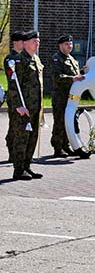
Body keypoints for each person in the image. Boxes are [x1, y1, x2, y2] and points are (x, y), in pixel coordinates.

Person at [10, 31, 44, 180]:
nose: (37, 43)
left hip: (36, 107)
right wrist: (19, 105)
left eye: (38, 41)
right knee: (21, 139)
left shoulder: (36, 59)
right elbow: (13, 85)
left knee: (32, 138)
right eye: (34, 41)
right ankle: (18, 170)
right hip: (24, 108)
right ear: (25, 43)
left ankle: (27, 167)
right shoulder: (19, 60)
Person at [50, 34, 84, 157]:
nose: (70, 46)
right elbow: (57, 77)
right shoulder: (56, 58)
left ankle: (66, 145)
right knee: (60, 121)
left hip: (72, 96)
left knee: (69, 121)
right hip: (60, 95)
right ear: (60, 45)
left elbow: (77, 75)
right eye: (66, 44)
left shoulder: (72, 59)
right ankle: (57, 147)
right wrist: (73, 78)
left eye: (71, 44)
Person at [4, 31, 26, 162]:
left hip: (25, 97)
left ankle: (21, 155)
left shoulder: (23, 57)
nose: (24, 44)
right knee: (15, 127)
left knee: (22, 127)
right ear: (16, 42)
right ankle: (12, 154)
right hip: (15, 99)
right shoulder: (10, 59)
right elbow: (12, 80)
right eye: (23, 41)